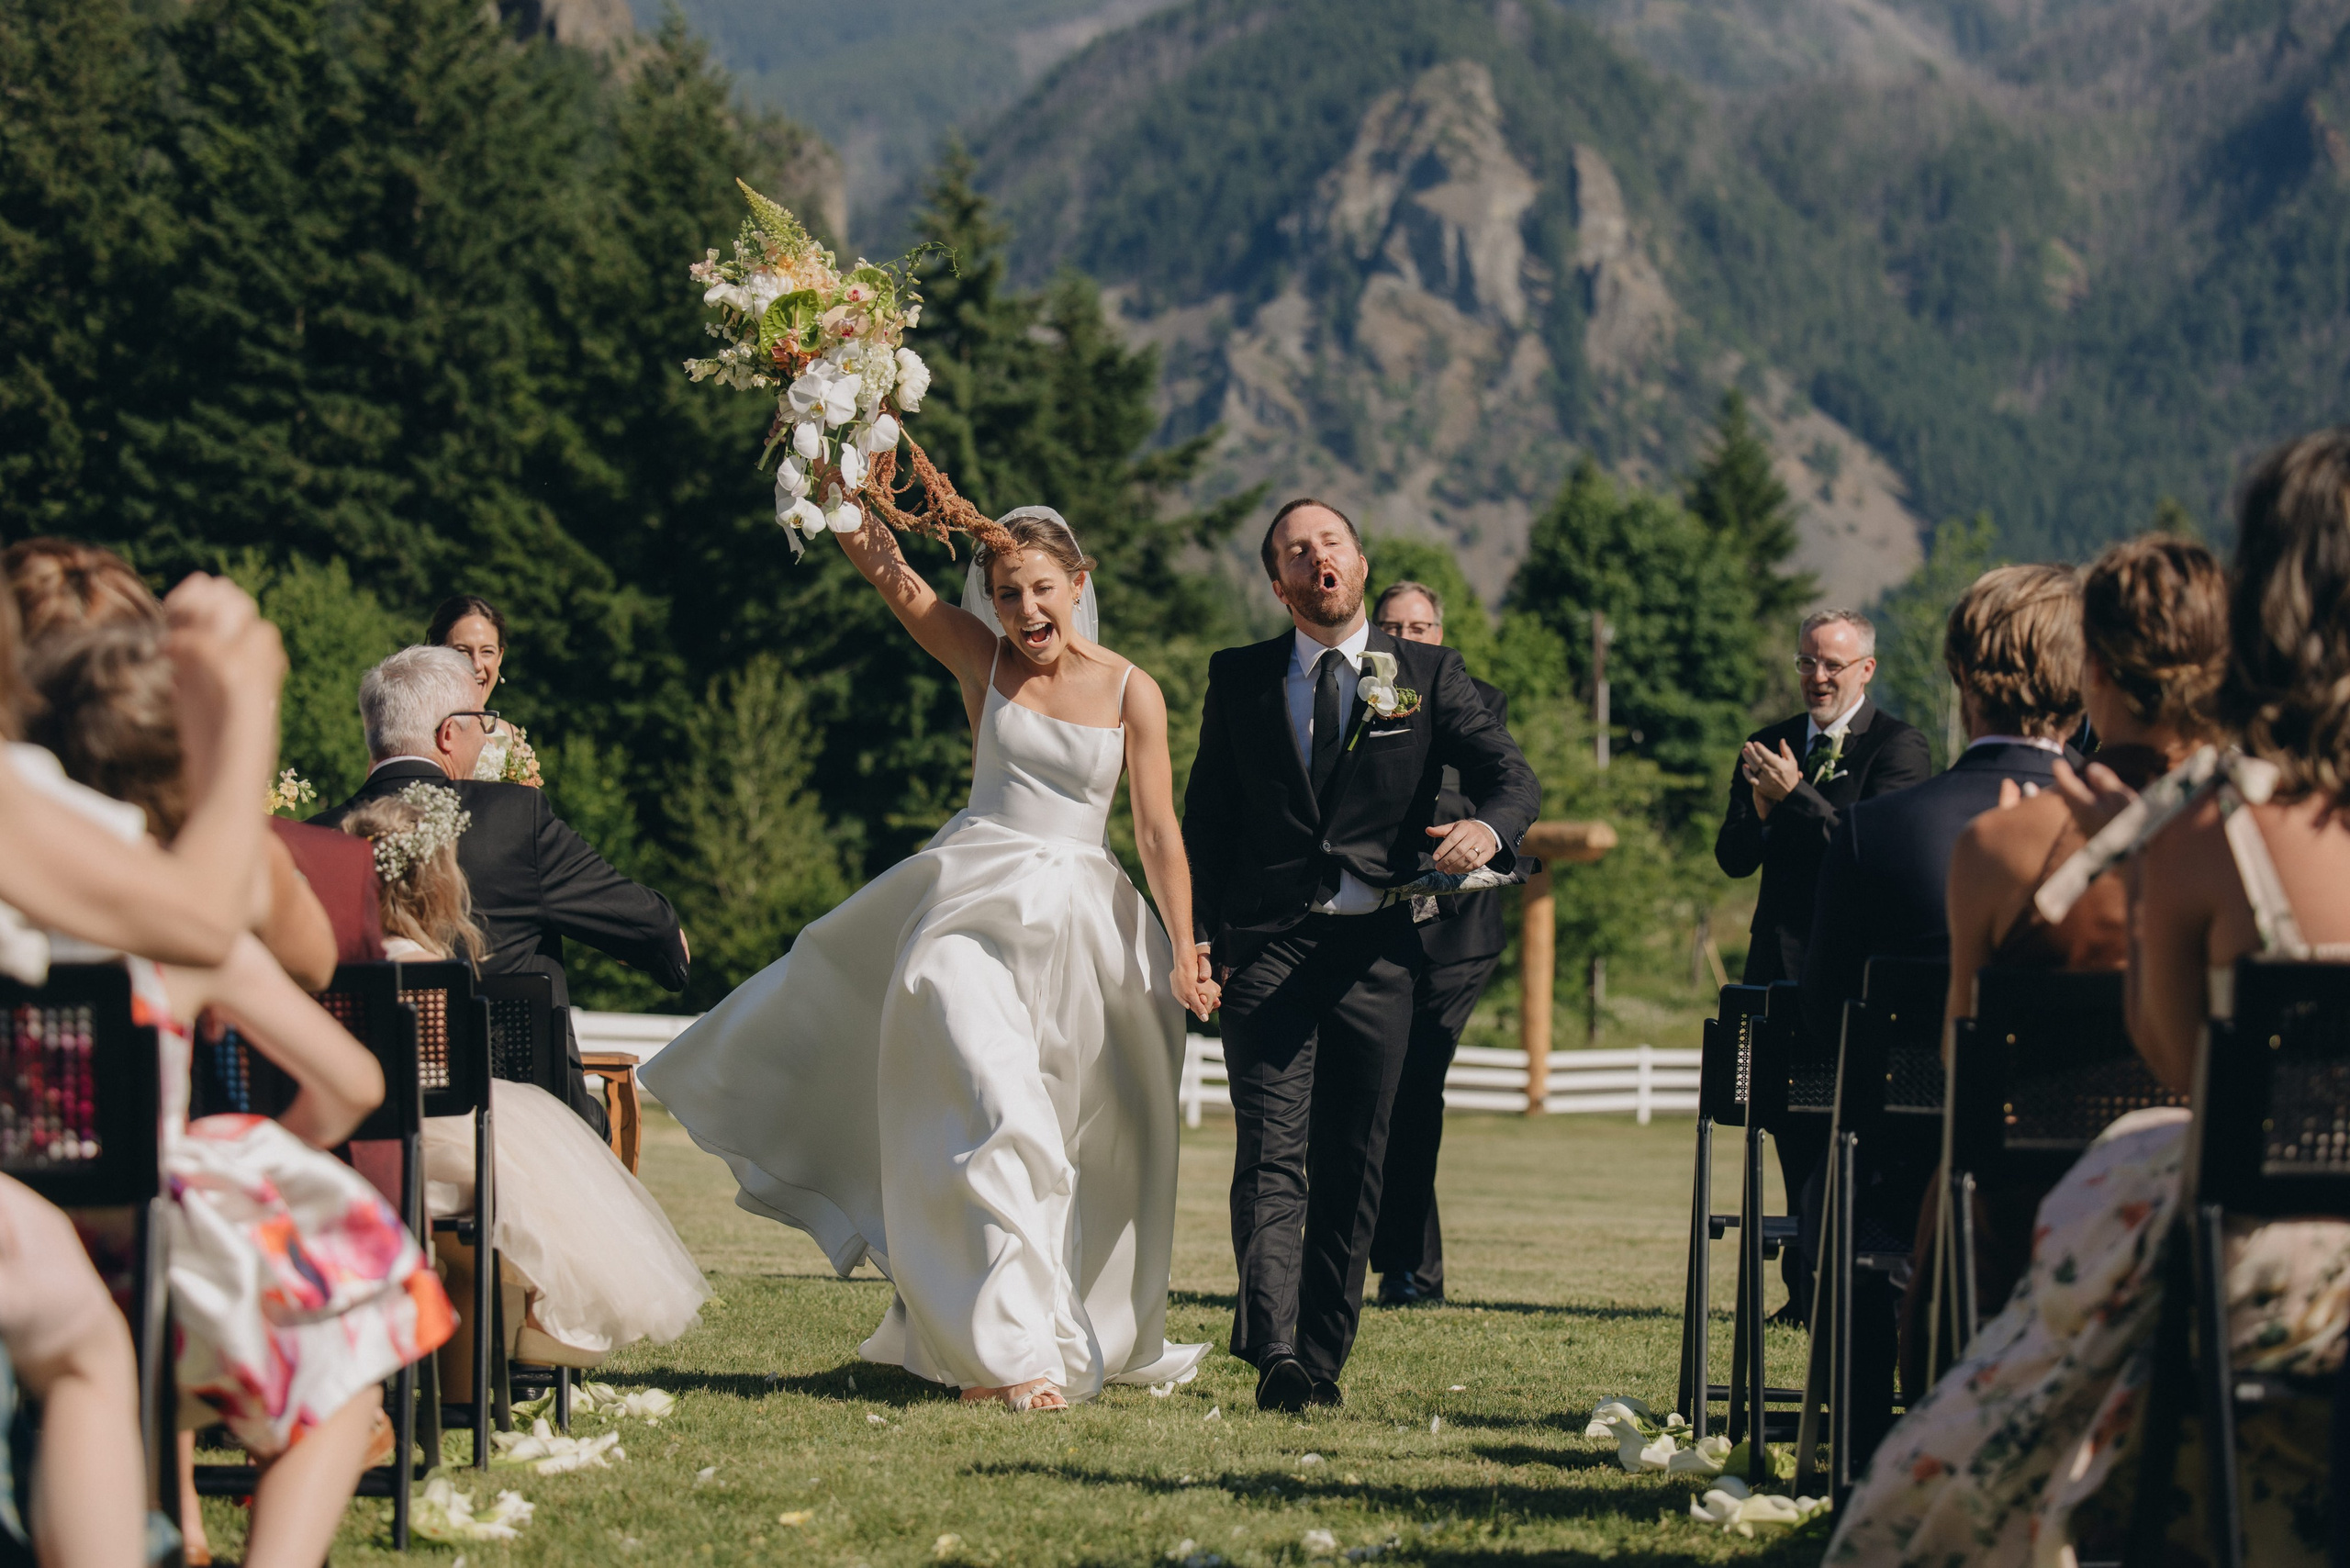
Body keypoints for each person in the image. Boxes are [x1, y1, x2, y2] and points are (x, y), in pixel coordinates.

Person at [1830, 430, 2350, 1567]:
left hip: (2282, 1260)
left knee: (2126, 1182)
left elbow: (2171, 1055)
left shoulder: (2223, 835)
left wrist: (2153, 871)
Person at [644, 506, 1214, 1413]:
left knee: (1063, 1142)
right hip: (969, 908)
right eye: (1004, 593)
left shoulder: (1131, 691)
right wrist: (832, 462)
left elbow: (1155, 831)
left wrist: (1186, 951)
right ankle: (1009, 1359)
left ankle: (1001, 1334)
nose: (1024, 609)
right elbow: (892, 576)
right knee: (997, 1102)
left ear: (1080, 582)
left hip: (1081, 932)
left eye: (1038, 589)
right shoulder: (981, 661)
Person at [26, 621, 453, 1568]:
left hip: (44, 1234)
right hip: (152, 1256)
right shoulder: (190, 930)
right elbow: (352, 1083)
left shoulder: (26, 897)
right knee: (341, 1376)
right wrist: (251, 1139)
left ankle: (172, 1519)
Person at [1183, 499, 1539, 1411]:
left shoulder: (1421, 672)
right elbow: (1206, 823)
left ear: (1361, 563)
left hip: (1379, 951)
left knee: (1353, 1162)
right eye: (1295, 552)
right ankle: (1274, 1352)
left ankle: (1322, 1354)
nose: (1316, 559)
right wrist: (1195, 936)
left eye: (1329, 542)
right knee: (1269, 1154)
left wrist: (1487, 831)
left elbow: (1511, 775)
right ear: (1278, 583)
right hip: (1265, 950)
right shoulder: (1239, 679)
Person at [1897, 535, 2225, 1394]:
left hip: (2032, 1219)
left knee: (1947, 1177)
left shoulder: (2004, 847)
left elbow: (1958, 1060)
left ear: (2095, 678)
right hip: (2220, 1217)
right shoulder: (2262, 839)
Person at [1797, 562, 2087, 1460]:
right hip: (2088, 1165)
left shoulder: (1875, 831)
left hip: (1905, 1175)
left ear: (1960, 682)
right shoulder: (2138, 827)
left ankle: (1856, 1459)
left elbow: (1819, 1019)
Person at [335, 788, 708, 1384]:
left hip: (345, 1152)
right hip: (428, 1153)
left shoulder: (337, 968)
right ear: (437, 885)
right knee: (539, 1167)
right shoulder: (432, 974)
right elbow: (454, 1075)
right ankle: (521, 1330)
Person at [312, 645, 687, 1139]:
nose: (487, 736)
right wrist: (664, 954)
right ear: (448, 733)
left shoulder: (314, 840)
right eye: (482, 722)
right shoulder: (514, 821)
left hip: (362, 1131)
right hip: (516, 1130)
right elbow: (649, 927)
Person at [1715, 607, 1928, 1324]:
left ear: (1866, 668)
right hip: (1778, 965)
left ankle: (1855, 1286)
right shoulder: (1769, 742)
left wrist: (1796, 797)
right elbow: (1733, 857)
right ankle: (1803, 1293)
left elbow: (1873, 851)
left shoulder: (1899, 747)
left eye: (1833, 664)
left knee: (1856, 1128)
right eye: (1808, 661)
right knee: (1786, 1124)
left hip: (1857, 973)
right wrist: (1760, 806)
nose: (1818, 676)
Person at [1364, 579, 1508, 1308]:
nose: (1410, 638)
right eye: (1395, 627)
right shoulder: (1350, 696)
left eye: (1422, 627)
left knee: (1417, 1088)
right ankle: (1374, 1258)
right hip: (1371, 922)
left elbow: (1489, 795)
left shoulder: (1476, 699)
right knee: (1368, 1093)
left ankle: (1411, 1271)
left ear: (1440, 632)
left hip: (1458, 934)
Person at [427, 594, 538, 785]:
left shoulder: (511, 737)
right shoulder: (413, 731)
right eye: (462, 651)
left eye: (487, 652)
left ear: (500, 657)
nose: (476, 665)